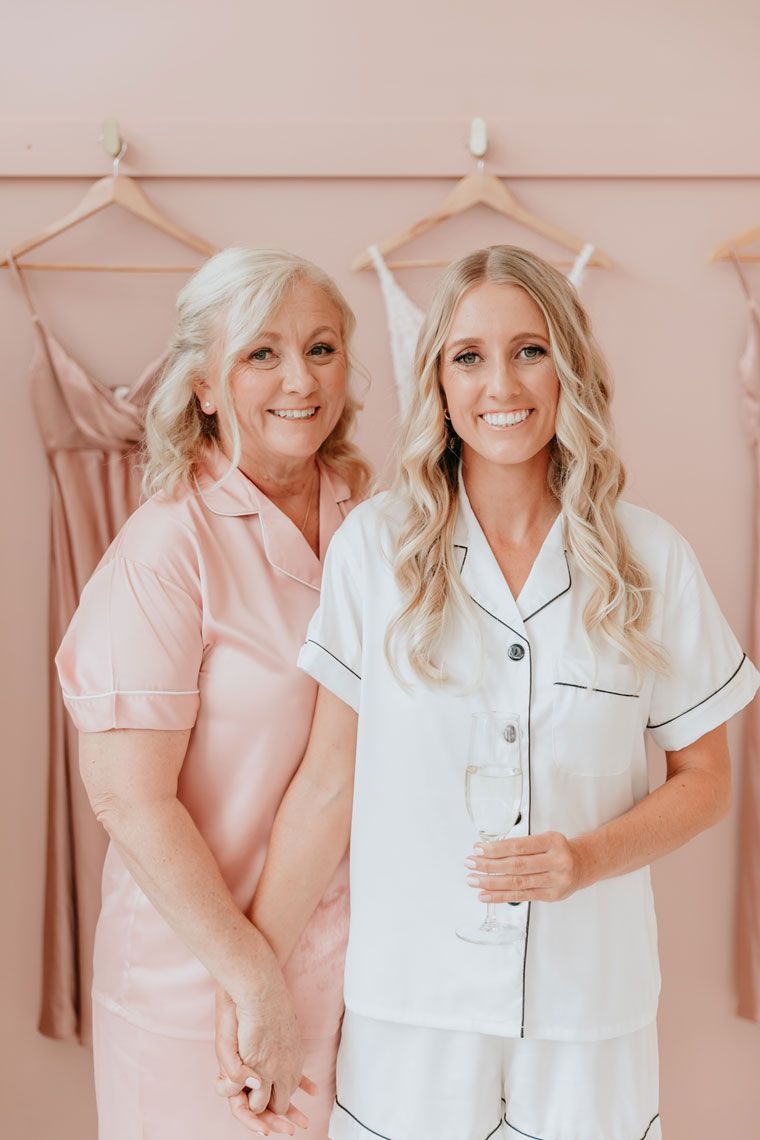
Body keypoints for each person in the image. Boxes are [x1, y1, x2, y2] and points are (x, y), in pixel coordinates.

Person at [217, 245, 759, 1140]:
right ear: (438, 380)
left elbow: (707, 782)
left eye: (529, 350)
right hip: (412, 1014)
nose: (500, 383)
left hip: (587, 1015)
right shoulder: (375, 551)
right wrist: (253, 983)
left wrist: (585, 859)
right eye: (468, 356)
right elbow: (327, 785)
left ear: (568, 366)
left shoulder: (649, 558)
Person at [55, 247, 370, 1140]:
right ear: (202, 386)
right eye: (261, 353)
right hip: (195, 988)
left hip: (356, 974)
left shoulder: (373, 521)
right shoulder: (167, 547)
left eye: (320, 348)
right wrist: (252, 980)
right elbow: (129, 798)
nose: (299, 379)